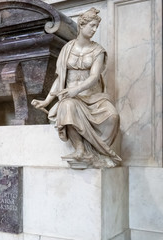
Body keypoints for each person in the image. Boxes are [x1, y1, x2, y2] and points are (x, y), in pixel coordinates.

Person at [32, 8, 121, 168]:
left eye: (96, 27)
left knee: (113, 116)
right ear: (82, 24)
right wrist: (46, 101)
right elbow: (60, 78)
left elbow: (94, 77)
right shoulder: (67, 49)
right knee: (67, 105)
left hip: (93, 98)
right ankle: (80, 149)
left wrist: (76, 89)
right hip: (71, 98)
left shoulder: (98, 51)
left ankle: (100, 151)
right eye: (92, 26)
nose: (94, 30)